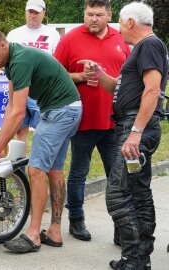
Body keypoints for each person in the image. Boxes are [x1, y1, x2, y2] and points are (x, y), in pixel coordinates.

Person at [78, 2, 168, 269]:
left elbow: (152, 91)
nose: (117, 26)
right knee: (138, 192)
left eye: (118, 21)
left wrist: (135, 133)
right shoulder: (143, 48)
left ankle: (134, 258)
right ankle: (140, 257)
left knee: (117, 193)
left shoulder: (149, 44)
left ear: (130, 22)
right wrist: (101, 74)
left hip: (136, 126)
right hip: (132, 124)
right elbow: (121, 88)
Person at [0, 28, 82, 253]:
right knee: (54, 170)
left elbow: (19, 113)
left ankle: (33, 235)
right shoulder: (12, 62)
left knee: (35, 170)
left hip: (59, 112)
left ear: (2, 45)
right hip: (70, 109)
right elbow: (10, 107)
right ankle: (54, 231)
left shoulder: (21, 60)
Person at [54, 0, 130, 242]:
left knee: (117, 176)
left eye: (98, 14)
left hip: (113, 121)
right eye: (89, 14)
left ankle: (121, 226)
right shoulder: (70, 39)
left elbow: (130, 76)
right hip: (82, 119)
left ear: (109, 15)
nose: (93, 19)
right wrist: (79, 76)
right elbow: (53, 74)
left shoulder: (121, 39)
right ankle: (76, 220)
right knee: (78, 172)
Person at [6, 0, 61, 151]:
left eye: (36, 12)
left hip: (42, 91)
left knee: (42, 130)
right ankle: (19, 168)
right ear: (25, 12)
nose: (33, 15)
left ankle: (38, 164)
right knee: (20, 129)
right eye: (30, 12)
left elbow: (57, 62)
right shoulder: (14, 34)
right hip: (20, 87)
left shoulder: (52, 34)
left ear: (43, 13)